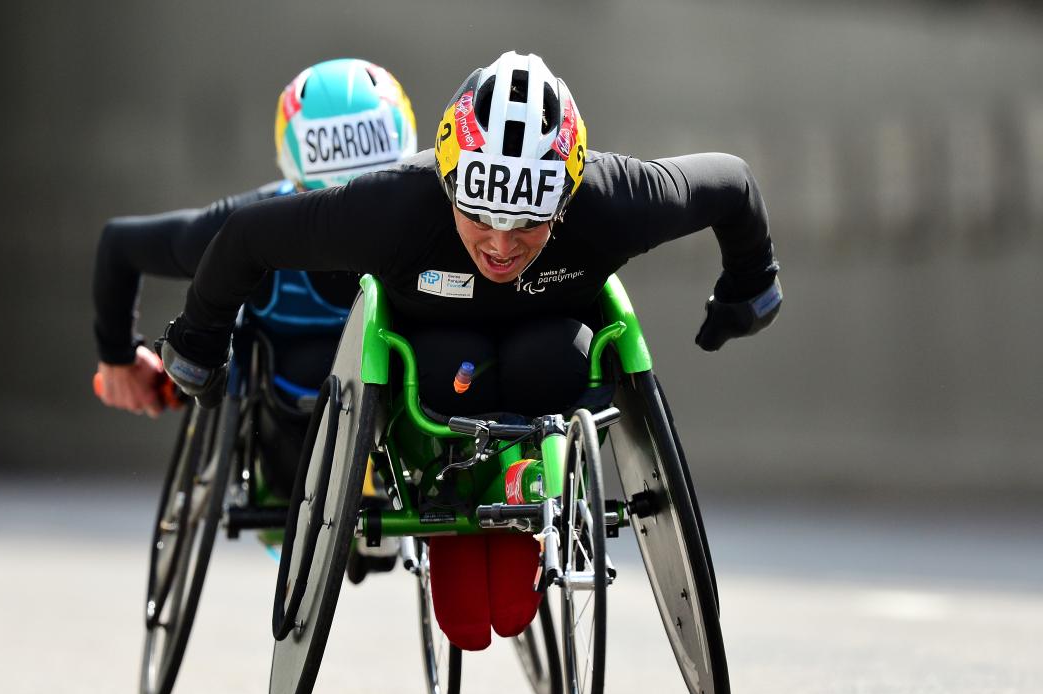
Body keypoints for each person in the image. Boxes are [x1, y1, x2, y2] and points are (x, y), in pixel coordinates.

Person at [157, 51, 783, 651]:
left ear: (569, 194)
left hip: (549, 360)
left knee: (550, 365)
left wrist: (750, 288)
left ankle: (526, 485)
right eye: (481, 215)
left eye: (529, 221)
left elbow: (732, 186)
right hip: (438, 376)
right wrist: (198, 342)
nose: (503, 245)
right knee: (470, 616)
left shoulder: (612, 197)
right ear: (449, 180)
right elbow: (245, 239)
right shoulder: (396, 205)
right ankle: (453, 493)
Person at [91, 57, 417, 497]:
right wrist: (117, 358)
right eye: (333, 203)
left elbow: (120, 245)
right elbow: (119, 245)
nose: (349, 225)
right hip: (296, 436)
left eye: (368, 195)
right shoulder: (250, 231)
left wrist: (118, 360)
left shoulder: (247, 226)